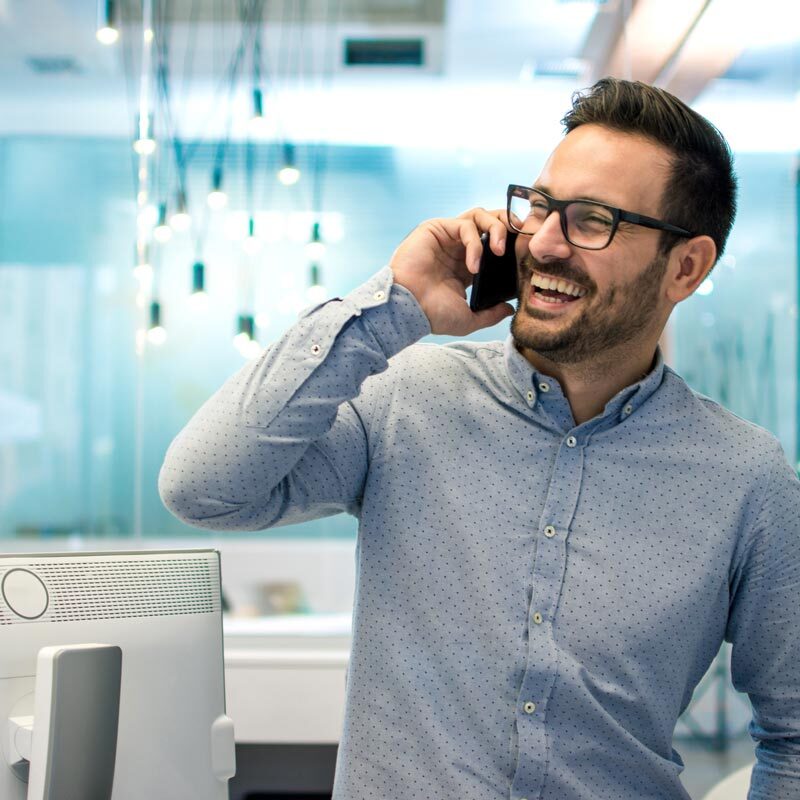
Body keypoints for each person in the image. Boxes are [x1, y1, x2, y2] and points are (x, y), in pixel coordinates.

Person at [159, 78, 800, 799]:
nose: (545, 244)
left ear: (686, 266)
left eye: (592, 220)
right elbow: (203, 487)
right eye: (541, 206)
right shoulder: (406, 399)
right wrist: (390, 307)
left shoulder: (746, 478)